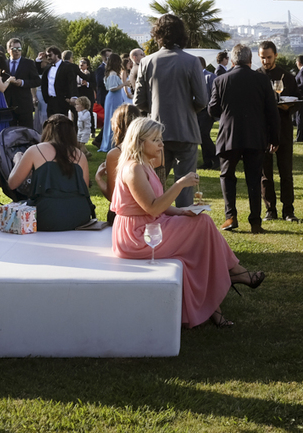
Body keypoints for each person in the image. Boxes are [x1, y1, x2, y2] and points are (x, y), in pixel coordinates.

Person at [111, 118, 265, 327]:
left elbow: (158, 206)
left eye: (161, 139)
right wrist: (180, 184)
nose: (161, 144)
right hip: (137, 236)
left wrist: (182, 211)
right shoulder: (134, 169)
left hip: (150, 226)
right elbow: (154, 207)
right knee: (203, 225)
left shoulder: (143, 165)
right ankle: (233, 275)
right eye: (155, 140)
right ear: (139, 142)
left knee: (201, 225)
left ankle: (218, 298)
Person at [134, 14, 209, 207]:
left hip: (156, 134)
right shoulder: (192, 62)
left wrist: (156, 109)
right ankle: (183, 229)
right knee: (185, 187)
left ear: (157, 34)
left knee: (156, 187)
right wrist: (187, 109)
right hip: (186, 131)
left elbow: (138, 100)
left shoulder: (147, 62)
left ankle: (158, 226)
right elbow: (202, 99)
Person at [210, 44, 279, 233]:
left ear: (232, 61)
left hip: (228, 135)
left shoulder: (220, 80)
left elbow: (212, 109)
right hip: (254, 136)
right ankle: (255, 221)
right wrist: (275, 138)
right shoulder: (262, 80)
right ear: (250, 61)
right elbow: (271, 111)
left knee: (227, 176)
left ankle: (230, 217)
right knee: (254, 179)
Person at [7, 115, 94, 231]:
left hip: (46, 215)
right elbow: (85, 188)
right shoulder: (80, 155)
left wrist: (18, 160)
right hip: (80, 215)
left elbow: (12, 183)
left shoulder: (35, 150)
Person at [256, 41, 299, 221]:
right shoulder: (256, 77)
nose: (266, 61)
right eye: (263, 58)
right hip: (262, 130)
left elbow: (296, 102)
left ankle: (288, 210)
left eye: (269, 57)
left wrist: (285, 106)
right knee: (265, 173)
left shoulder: (287, 76)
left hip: (283, 128)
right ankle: (270, 209)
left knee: (285, 172)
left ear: (276, 56)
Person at [96, 104, 144, 225]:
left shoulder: (116, 154)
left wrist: (98, 178)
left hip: (124, 217)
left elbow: (113, 197)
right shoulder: (154, 150)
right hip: (152, 213)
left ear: (117, 126)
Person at [98, 53, 129, 150]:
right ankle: (110, 143)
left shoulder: (111, 73)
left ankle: (113, 142)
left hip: (115, 97)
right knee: (113, 119)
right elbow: (112, 88)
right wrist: (124, 84)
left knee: (114, 119)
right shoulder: (112, 74)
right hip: (113, 98)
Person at [197, 57, 218, 169]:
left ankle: (216, 158)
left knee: (203, 134)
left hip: (206, 111)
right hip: (197, 111)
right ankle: (207, 162)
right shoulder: (194, 77)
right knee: (201, 136)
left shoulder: (210, 76)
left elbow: (215, 95)